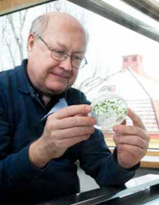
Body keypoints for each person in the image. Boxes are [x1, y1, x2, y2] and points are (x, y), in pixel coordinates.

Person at [0, 12, 149, 204]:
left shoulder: (77, 100)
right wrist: (40, 151)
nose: (68, 66)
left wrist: (124, 162)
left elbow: (105, 174)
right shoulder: (3, 91)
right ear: (31, 43)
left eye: (77, 58)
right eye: (59, 52)